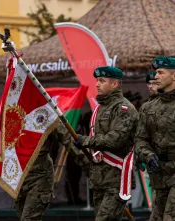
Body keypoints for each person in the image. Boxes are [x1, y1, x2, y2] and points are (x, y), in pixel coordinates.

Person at [72, 66, 138, 221]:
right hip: (100, 179)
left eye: (102, 81)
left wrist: (85, 141)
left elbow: (115, 139)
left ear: (114, 84)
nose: (97, 84)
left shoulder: (123, 108)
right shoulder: (100, 108)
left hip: (115, 178)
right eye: (97, 81)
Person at [135, 56, 175, 220]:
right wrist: (147, 155)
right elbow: (140, 139)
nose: (155, 76)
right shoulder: (148, 107)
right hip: (159, 175)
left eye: (160, 72)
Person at [14, 129, 64, 221]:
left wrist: (86, 161)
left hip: (40, 177)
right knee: (22, 215)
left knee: (29, 218)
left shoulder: (47, 115)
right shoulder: (14, 118)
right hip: (21, 178)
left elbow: (67, 137)